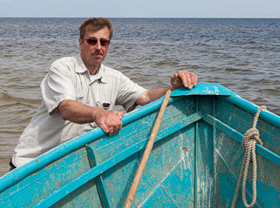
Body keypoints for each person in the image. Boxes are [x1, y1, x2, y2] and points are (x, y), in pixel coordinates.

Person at [10, 17, 198, 168]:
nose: (98, 47)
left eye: (104, 42)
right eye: (92, 41)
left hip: (64, 167)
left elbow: (146, 97)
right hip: (29, 165)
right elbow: (66, 108)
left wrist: (174, 87)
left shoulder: (114, 77)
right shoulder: (62, 68)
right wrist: (100, 114)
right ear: (81, 43)